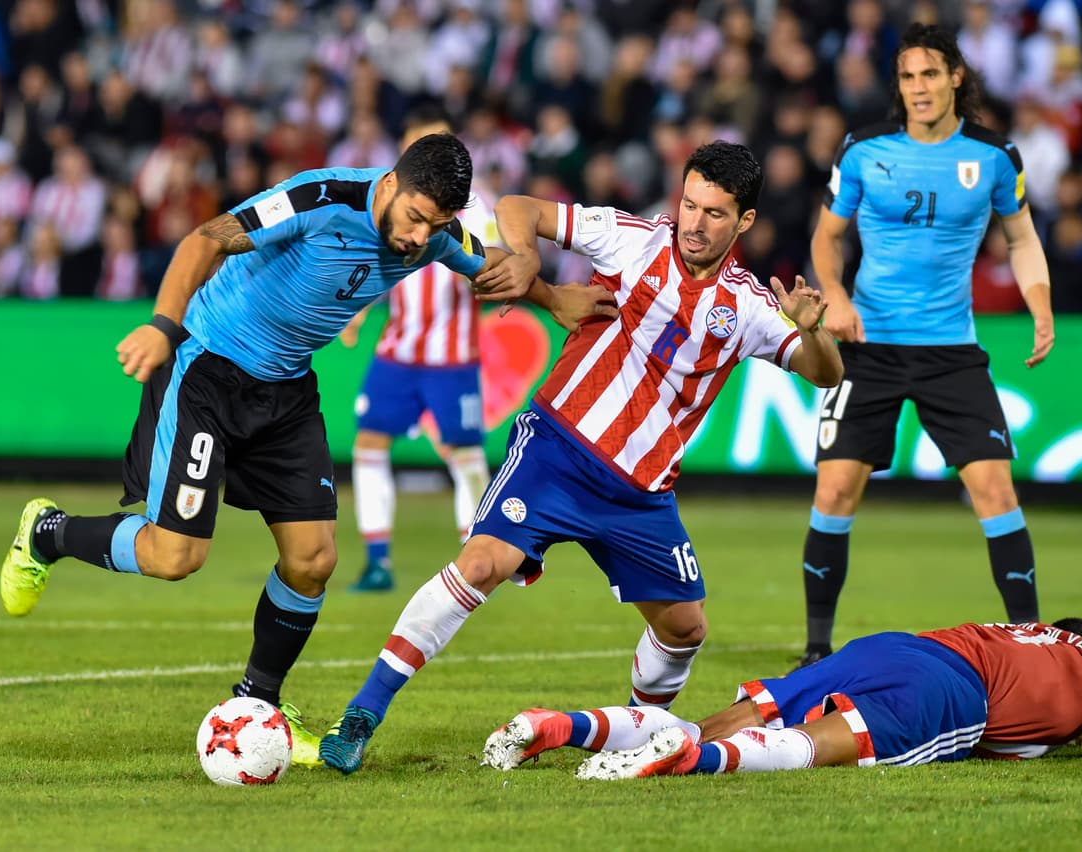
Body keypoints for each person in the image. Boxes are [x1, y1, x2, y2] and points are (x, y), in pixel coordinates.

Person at [0, 134, 606, 767]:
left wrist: (555, 297)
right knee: (174, 555)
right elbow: (204, 240)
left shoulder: (436, 236)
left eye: (437, 226)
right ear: (392, 184)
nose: (420, 238)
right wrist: (162, 327)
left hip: (286, 392)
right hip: (209, 369)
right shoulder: (321, 198)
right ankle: (49, 533)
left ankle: (260, 702)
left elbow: (492, 266)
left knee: (313, 560)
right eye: (416, 218)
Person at [317, 141, 845, 774]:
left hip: (641, 493)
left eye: (714, 213)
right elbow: (519, 206)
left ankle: (637, 736)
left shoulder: (752, 307)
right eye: (689, 204)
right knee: (481, 563)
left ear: (746, 221)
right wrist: (525, 260)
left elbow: (824, 373)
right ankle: (362, 714)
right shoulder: (633, 239)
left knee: (684, 628)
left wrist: (810, 329)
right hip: (556, 451)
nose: (695, 224)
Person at [796, 24, 1056, 668]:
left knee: (996, 492)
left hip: (951, 351)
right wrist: (836, 296)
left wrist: (1041, 306)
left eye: (931, 74)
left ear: (956, 78)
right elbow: (826, 239)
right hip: (869, 346)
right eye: (908, 77)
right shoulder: (862, 151)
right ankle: (816, 649)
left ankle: (1036, 649)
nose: (919, 88)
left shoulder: (995, 157)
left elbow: (1021, 239)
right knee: (833, 494)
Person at [481, 618, 1082, 779]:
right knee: (831, 745)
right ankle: (690, 764)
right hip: (955, 694)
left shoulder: (1013, 632)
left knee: (742, 712)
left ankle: (568, 725)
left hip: (902, 645)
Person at [339, 108, 502, 593]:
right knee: (369, 444)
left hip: (451, 357)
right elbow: (374, 255)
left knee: (464, 452)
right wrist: (359, 310)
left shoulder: (477, 206)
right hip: (398, 350)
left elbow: (493, 263)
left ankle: (481, 559)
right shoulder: (393, 194)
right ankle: (377, 563)